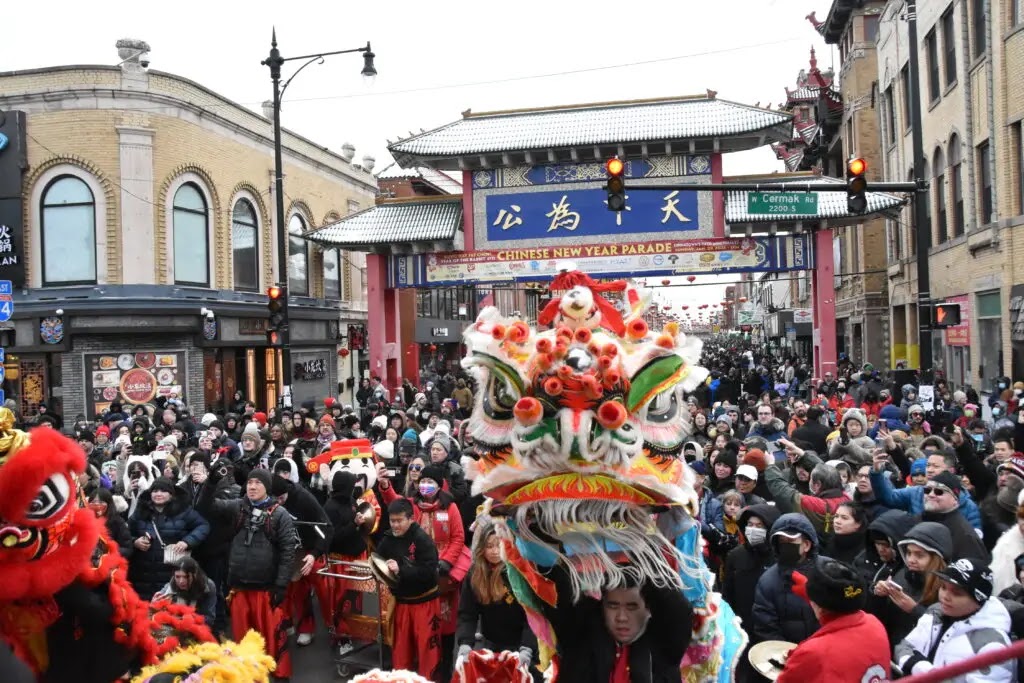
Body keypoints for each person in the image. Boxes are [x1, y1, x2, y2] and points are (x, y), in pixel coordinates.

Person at [196, 467, 298, 681]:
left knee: (271, 642)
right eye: (249, 483)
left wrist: (281, 586)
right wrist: (211, 484)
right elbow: (205, 508)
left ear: (267, 488)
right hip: (239, 588)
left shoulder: (280, 514)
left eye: (257, 483)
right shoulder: (237, 508)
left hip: (266, 590)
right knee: (242, 644)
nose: (252, 487)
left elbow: (289, 551)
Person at [538, 562, 693, 683]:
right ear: (602, 605)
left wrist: (644, 563)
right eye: (613, 606)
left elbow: (679, 611)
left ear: (649, 609)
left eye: (632, 607)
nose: (621, 617)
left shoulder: (664, 645)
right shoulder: (581, 633)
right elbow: (556, 589)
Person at [895, 557, 1015, 681]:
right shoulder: (936, 612)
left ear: (978, 599)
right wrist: (920, 667)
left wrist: (931, 675)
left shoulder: (992, 644)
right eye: (943, 587)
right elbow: (903, 648)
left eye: (957, 593)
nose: (945, 596)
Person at [776, 558, 890, 683]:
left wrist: (816, 597)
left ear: (818, 606)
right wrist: (817, 598)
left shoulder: (813, 652)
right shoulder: (874, 623)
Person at [455, 524, 538, 677]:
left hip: (522, 645)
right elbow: (467, 614)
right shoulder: (475, 574)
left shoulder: (520, 572)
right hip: (491, 645)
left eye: (498, 545)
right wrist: (465, 643)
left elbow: (532, 613)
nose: (494, 551)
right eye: (489, 546)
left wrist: (527, 647)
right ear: (481, 548)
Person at [375, 498, 442, 680]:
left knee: (427, 651)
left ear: (411, 519)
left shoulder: (422, 539)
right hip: (401, 603)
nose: (395, 525)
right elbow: (377, 561)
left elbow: (429, 571)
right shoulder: (388, 539)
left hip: (425, 603)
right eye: (392, 521)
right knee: (401, 653)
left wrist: (401, 570)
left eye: (399, 521)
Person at [127, 477, 210, 600]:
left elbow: (203, 526)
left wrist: (187, 542)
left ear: (171, 494)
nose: (158, 494)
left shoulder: (183, 511)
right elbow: (126, 533)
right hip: (143, 572)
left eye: (163, 491)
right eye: (155, 491)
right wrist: (135, 541)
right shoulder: (141, 511)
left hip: (173, 572)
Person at [751, 513, 820, 645]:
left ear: (806, 545)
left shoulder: (828, 571)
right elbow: (766, 628)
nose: (785, 547)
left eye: (790, 542)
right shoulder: (767, 581)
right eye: (782, 542)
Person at [153, 556, 218, 626]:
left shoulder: (208, 586)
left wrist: (191, 619)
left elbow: (210, 619)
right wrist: (154, 605)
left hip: (197, 627)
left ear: (195, 575)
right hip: (175, 627)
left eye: (186, 577)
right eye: (177, 576)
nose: (181, 581)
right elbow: (157, 612)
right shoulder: (170, 586)